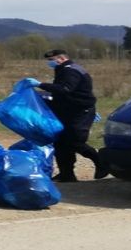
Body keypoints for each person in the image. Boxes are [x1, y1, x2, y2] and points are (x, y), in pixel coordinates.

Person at [34, 49, 107, 182]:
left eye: (51, 60)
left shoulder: (70, 70)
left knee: (75, 142)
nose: (50, 63)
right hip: (68, 111)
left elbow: (65, 89)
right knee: (60, 143)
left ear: (61, 59)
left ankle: (101, 162)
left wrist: (41, 85)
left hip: (80, 111)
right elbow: (63, 93)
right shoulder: (63, 69)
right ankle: (66, 174)